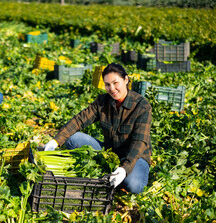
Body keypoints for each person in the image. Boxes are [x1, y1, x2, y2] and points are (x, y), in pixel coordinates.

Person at [43, 63, 152, 194]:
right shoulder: (103, 101)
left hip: (136, 157)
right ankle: (112, 174)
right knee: (73, 139)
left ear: (126, 80)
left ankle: (122, 175)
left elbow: (139, 142)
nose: (112, 89)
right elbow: (80, 120)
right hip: (110, 154)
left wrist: (125, 168)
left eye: (115, 82)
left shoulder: (141, 106)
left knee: (133, 185)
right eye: (107, 84)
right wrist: (55, 141)